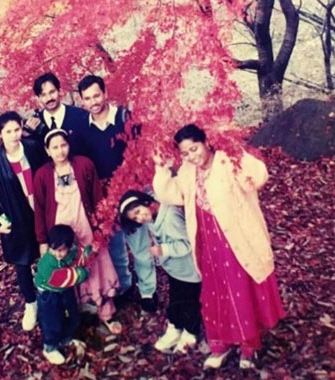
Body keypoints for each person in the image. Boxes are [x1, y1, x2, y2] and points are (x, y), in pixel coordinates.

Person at [153, 124, 285, 369]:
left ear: (206, 142)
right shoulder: (187, 171)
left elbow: (258, 177)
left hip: (235, 238)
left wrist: (235, 148)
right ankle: (220, 343)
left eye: (195, 149)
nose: (192, 156)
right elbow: (172, 194)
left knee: (240, 289)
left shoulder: (227, 160)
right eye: (186, 153)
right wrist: (161, 169)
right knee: (214, 293)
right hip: (207, 241)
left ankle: (248, 346)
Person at [78, 75, 157, 312]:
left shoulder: (125, 118)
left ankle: (148, 292)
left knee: (140, 246)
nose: (93, 101)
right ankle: (123, 286)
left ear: (104, 93)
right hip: (106, 200)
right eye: (88, 98)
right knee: (115, 249)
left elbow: (144, 152)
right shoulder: (83, 130)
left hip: (132, 193)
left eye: (96, 95)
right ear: (82, 101)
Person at [33, 129, 122, 334]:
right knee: (67, 268)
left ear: (69, 145)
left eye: (63, 145)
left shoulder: (84, 165)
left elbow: (98, 198)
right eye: (54, 147)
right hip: (60, 230)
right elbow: (39, 209)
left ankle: (106, 312)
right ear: (47, 150)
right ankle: (75, 316)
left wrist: (101, 228)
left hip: (85, 224)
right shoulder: (42, 175)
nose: (60, 151)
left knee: (96, 264)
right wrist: (43, 241)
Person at [0, 111, 45, 331]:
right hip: (17, 220)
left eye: (17, 129)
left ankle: (54, 296)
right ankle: (31, 304)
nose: (14, 135)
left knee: (49, 255)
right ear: (0, 134)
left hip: (42, 213)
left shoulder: (33, 149)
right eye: (8, 131)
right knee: (23, 263)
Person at [118, 190, 201, 353]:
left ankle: (191, 332)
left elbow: (189, 244)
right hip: (174, 269)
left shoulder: (170, 217)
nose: (140, 217)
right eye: (135, 218)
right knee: (176, 299)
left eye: (138, 211)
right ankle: (175, 327)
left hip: (188, 269)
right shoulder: (151, 219)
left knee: (189, 301)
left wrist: (164, 249)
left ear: (145, 202)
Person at [35, 224, 88, 365]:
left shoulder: (71, 252)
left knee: (71, 313)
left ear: (69, 247)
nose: (58, 253)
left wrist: (88, 252)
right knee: (52, 319)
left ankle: (66, 337)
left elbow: (78, 256)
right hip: (49, 293)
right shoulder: (47, 263)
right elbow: (61, 278)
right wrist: (81, 273)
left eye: (62, 250)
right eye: (54, 249)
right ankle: (50, 347)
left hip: (64, 290)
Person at [25, 72, 88, 157]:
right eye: (43, 95)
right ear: (38, 98)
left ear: (59, 91)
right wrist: (28, 135)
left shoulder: (80, 116)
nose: (49, 98)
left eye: (52, 92)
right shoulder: (34, 125)